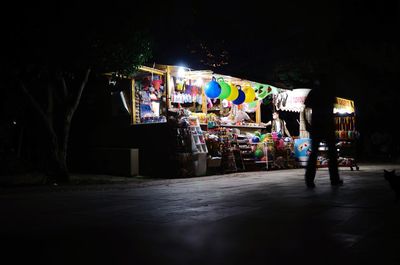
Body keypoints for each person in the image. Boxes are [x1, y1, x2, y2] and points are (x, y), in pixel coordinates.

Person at [304, 74, 343, 188]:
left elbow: (305, 108)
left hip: (317, 125)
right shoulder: (329, 92)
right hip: (326, 125)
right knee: (331, 153)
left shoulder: (314, 92)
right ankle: (334, 179)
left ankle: (309, 180)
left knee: (314, 153)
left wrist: (307, 123)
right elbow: (331, 110)